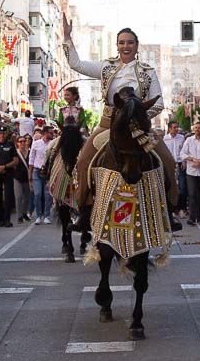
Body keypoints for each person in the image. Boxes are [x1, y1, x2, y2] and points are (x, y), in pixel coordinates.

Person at [66, 28, 179, 219]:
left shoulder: (147, 72)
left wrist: (137, 115)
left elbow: (158, 102)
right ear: (117, 46)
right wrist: (68, 38)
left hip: (139, 127)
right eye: (122, 42)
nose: (125, 46)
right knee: (83, 161)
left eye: (130, 42)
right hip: (108, 124)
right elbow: (76, 64)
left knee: (168, 161)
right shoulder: (106, 67)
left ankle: (170, 209)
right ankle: (84, 210)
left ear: (136, 46)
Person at [30, 129, 51, 224]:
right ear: (45, 133)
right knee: (37, 194)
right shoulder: (36, 143)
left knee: (47, 195)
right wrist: (29, 173)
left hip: (48, 172)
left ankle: (47, 215)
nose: (52, 134)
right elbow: (31, 158)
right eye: (50, 132)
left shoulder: (52, 143)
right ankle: (38, 215)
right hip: (37, 170)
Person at [13, 135, 33, 224]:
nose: (22, 143)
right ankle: (19, 216)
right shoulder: (15, 153)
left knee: (27, 197)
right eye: (20, 141)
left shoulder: (30, 152)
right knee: (19, 197)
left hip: (27, 178)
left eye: (24, 141)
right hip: (17, 177)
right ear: (17, 143)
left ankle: (24, 212)